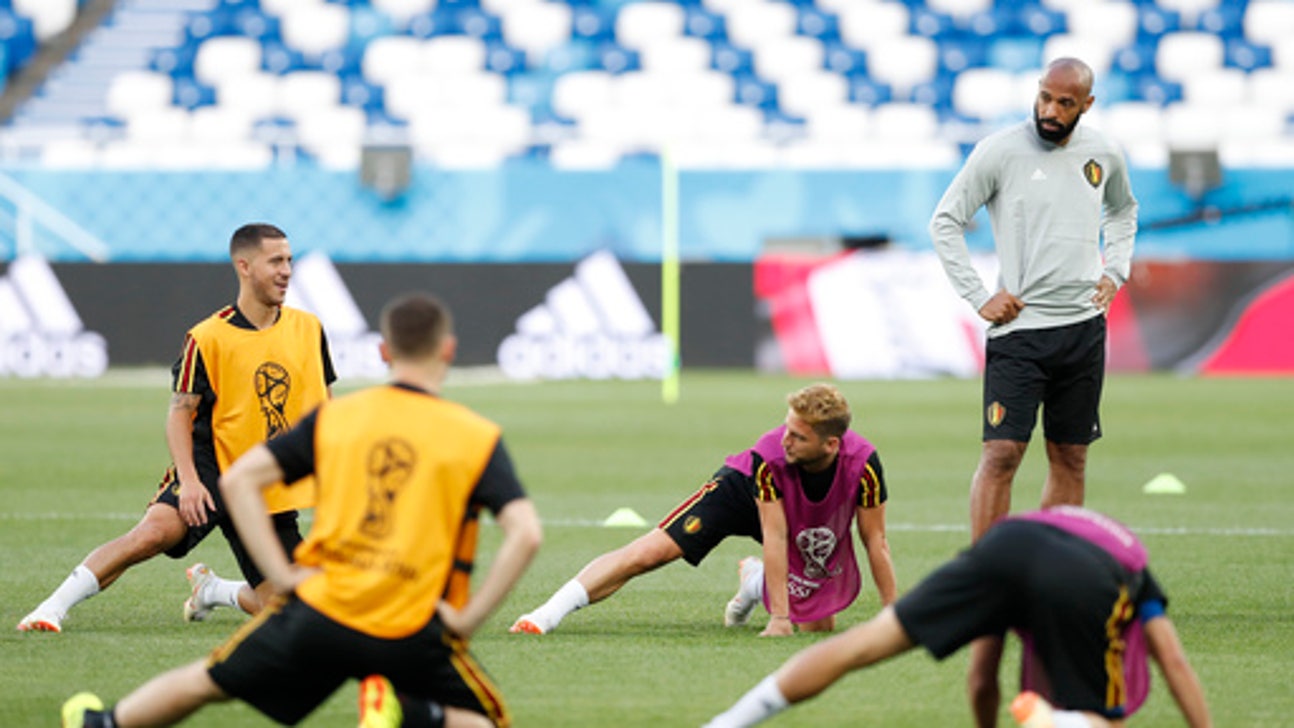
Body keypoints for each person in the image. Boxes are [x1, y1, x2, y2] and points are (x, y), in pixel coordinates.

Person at [61, 292, 543, 728]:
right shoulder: (475, 436)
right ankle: (413, 709)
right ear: (448, 351)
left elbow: (243, 479)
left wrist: (284, 577)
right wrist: (469, 618)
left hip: (324, 606)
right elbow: (526, 533)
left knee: (208, 682)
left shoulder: (338, 419)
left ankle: (103, 723)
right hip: (410, 620)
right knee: (479, 722)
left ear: (383, 352)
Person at [17, 223, 335, 633]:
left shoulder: (309, 328)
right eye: (276, 260)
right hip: (210, 470)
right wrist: (189, 481)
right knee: (153, 534)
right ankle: (50, 608)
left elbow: (324, 405)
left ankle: (213, 591)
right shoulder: (207, 337)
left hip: (263, 484)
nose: (287, 270)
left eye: (289, 260)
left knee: (299, 614)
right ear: (244, 266)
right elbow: (179, 413)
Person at [704, 505, 1212, 728]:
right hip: (1088, 571)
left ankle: (730, 721)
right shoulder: (1138, 574)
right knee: (1103, 720)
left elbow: (981, 676)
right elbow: (1173, 661)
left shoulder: (1042, 540)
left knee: (863, 644)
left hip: (1004, 543)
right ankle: (1053, 721)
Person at [928, 55, 1139, 543]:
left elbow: (1124, 210)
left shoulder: (1104, 152)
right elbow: (945, 221)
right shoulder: (1000, 151)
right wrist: (979, 296)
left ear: (1087, 104)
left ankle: (1049, 572)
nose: (1050, 109)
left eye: (1065, 103)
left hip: (1083, 329)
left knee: (1071, 456)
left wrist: (1117, 268)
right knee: (1001, 454)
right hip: (1020, 332)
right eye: (1045, 96)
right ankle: (985, 581)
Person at [511, 382, 897, 637]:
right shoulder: (769, 455)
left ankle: (752, 581)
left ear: (831, 445)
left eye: (799, 436)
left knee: (819, 627)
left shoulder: (863, 465)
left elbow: (875, 540)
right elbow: (774, 536)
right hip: (742, 491)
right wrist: (779, 619)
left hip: (801, 514)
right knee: (650, 553)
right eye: (786, 429)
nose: (786, 440)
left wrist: (895, 617)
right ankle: (547, 614)